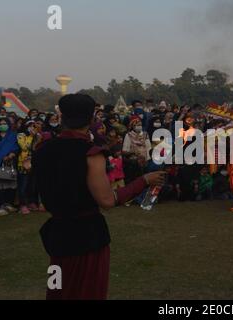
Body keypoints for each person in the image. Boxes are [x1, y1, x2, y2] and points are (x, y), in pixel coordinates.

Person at [33, 94, 165, 300]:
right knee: (88, 292)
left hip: (58, 235)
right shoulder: (91, 153)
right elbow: (107, 200)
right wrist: (144, 181)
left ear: (62, 116)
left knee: (57, 290)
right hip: (87, 237)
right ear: (92, 118)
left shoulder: (42, 149)